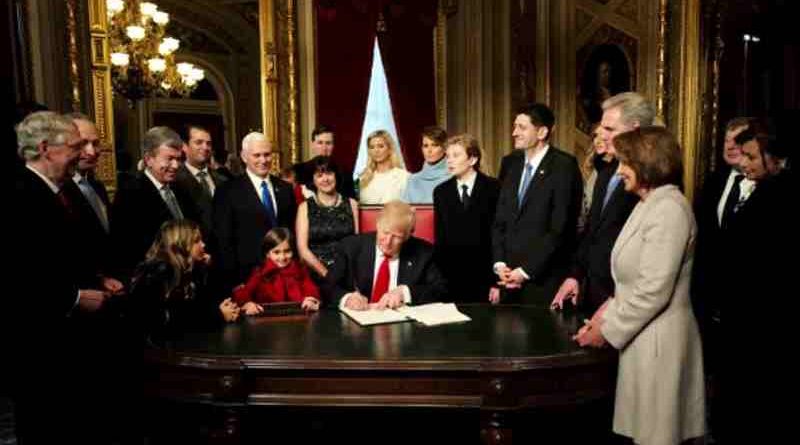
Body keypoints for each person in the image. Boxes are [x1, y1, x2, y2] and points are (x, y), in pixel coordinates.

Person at [574, 127, 705, 445]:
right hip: (642, 338)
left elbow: (652, 290)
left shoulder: (670, 210)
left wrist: (606, 330)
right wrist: (604, 315)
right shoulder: (648, 205)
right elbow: (629, 281)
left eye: (625, 163)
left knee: (657, 436)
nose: (618, 171)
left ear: (647, 162)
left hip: (660, 344)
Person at [9, 111, 112, 443]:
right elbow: (17, 275)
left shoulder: (60, 192)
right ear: (44, 148)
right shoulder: (19, 195)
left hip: (71, 341)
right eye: (74, 146)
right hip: (42, 346)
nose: (82, 154)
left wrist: (96, 279)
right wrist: (75, 297)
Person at [551, 92, 655, 312]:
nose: (600, 133)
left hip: (624, 303)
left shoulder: (649, 180)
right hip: (591, 294)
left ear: (634, 129)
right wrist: (575, 276)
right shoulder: (606, 173)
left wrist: (615, 303)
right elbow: (591, 231)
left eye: (610, 129)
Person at [492, 103, 583, 304]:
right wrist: (499, 264)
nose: (514, 132)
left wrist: (525, 271)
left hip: (543, 280)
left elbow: (560, 228)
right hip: (507, 279)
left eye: (522, 127)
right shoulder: (510, 162)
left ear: (542, 132)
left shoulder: (564, 166)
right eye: (514, 126)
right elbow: (500, 219)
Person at [324, 200, 447, 310]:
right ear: (377, 225)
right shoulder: (350, 247)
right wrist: (347, 298)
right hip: (358, 327)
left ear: (407, 236)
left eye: (396, 237)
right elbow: (328, 287)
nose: (388, 242)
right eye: (385, 232)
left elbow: (441, 289)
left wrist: (405, 293)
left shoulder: (423, 252)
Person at [212, 132, 297, 291]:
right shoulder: (227, 191)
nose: (263, 160)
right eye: (257, 155)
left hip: (285, 277)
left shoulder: (285, 189)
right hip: (247, 279)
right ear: (244, 156)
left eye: (267, 155)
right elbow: (224, 241)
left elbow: (291, 233)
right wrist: (235, 283)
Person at [129, 219, 239, 341]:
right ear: (180, 244)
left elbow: (199, 306)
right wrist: (217, 315)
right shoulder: (162, 271)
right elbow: (171, 320)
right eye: (197, 241)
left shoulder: (186, 271)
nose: (203, 245)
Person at [111, 126, 198, 277]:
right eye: (170, 159)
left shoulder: (182, 189)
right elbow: (127, 246)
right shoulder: (131, 193)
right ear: (148, 159)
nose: (176, 166)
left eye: (178, 159)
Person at [433, 134, 500, 303]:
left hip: (485, 276)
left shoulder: (494, 188)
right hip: (451, 278)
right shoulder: (441, 192)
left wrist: (497, 282)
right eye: (448, 156)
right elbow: (440, 238)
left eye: (456, 155)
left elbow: (499, 236)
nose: (449, 161)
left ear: (472, 159)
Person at [295, 156, 359, 280]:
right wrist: (327, 274)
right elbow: (303, 250)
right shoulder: (304, 207)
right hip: (316, 273)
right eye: (319, 175)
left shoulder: (352, 204)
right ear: (313, 180)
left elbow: (357, 244)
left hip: (348, 272)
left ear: (336, 175)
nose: (325, 179)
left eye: (329, 173)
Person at [233, 227, 321, 315]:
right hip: (268, 320)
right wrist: (248, 304)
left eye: (287, 251)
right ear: (268, 254)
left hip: (297, 317)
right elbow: (244, 293)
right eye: (276, 252)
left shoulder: (300, 270)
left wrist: (310, 299)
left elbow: (310, 288)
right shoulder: (261, 273)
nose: (282, 257)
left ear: (293, 251)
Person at [174, 124, 229, 233]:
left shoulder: (223, 180)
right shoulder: (175, 180)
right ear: (184, 146)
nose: (205, 147)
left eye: (208, 143)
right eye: (199, 142)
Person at [293, 125, 356, 198]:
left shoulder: (344, 172)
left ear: (333, 145)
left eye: (328, 143)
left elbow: (350, 201)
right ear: (313, 144)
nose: (324, 148)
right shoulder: (299, 170)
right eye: (320, 143)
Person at [358, 130, 410, 204]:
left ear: (390, 149)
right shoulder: (363, 178)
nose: (376, 150)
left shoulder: (404, 177)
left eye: (381, 146)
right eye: (372, 147)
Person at [402, 126, 450, 203]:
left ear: (444, 148)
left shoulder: (453, 178)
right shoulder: (413, 180)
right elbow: (403, 211)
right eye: (425, 146)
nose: (429, 150)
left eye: (435, 145)